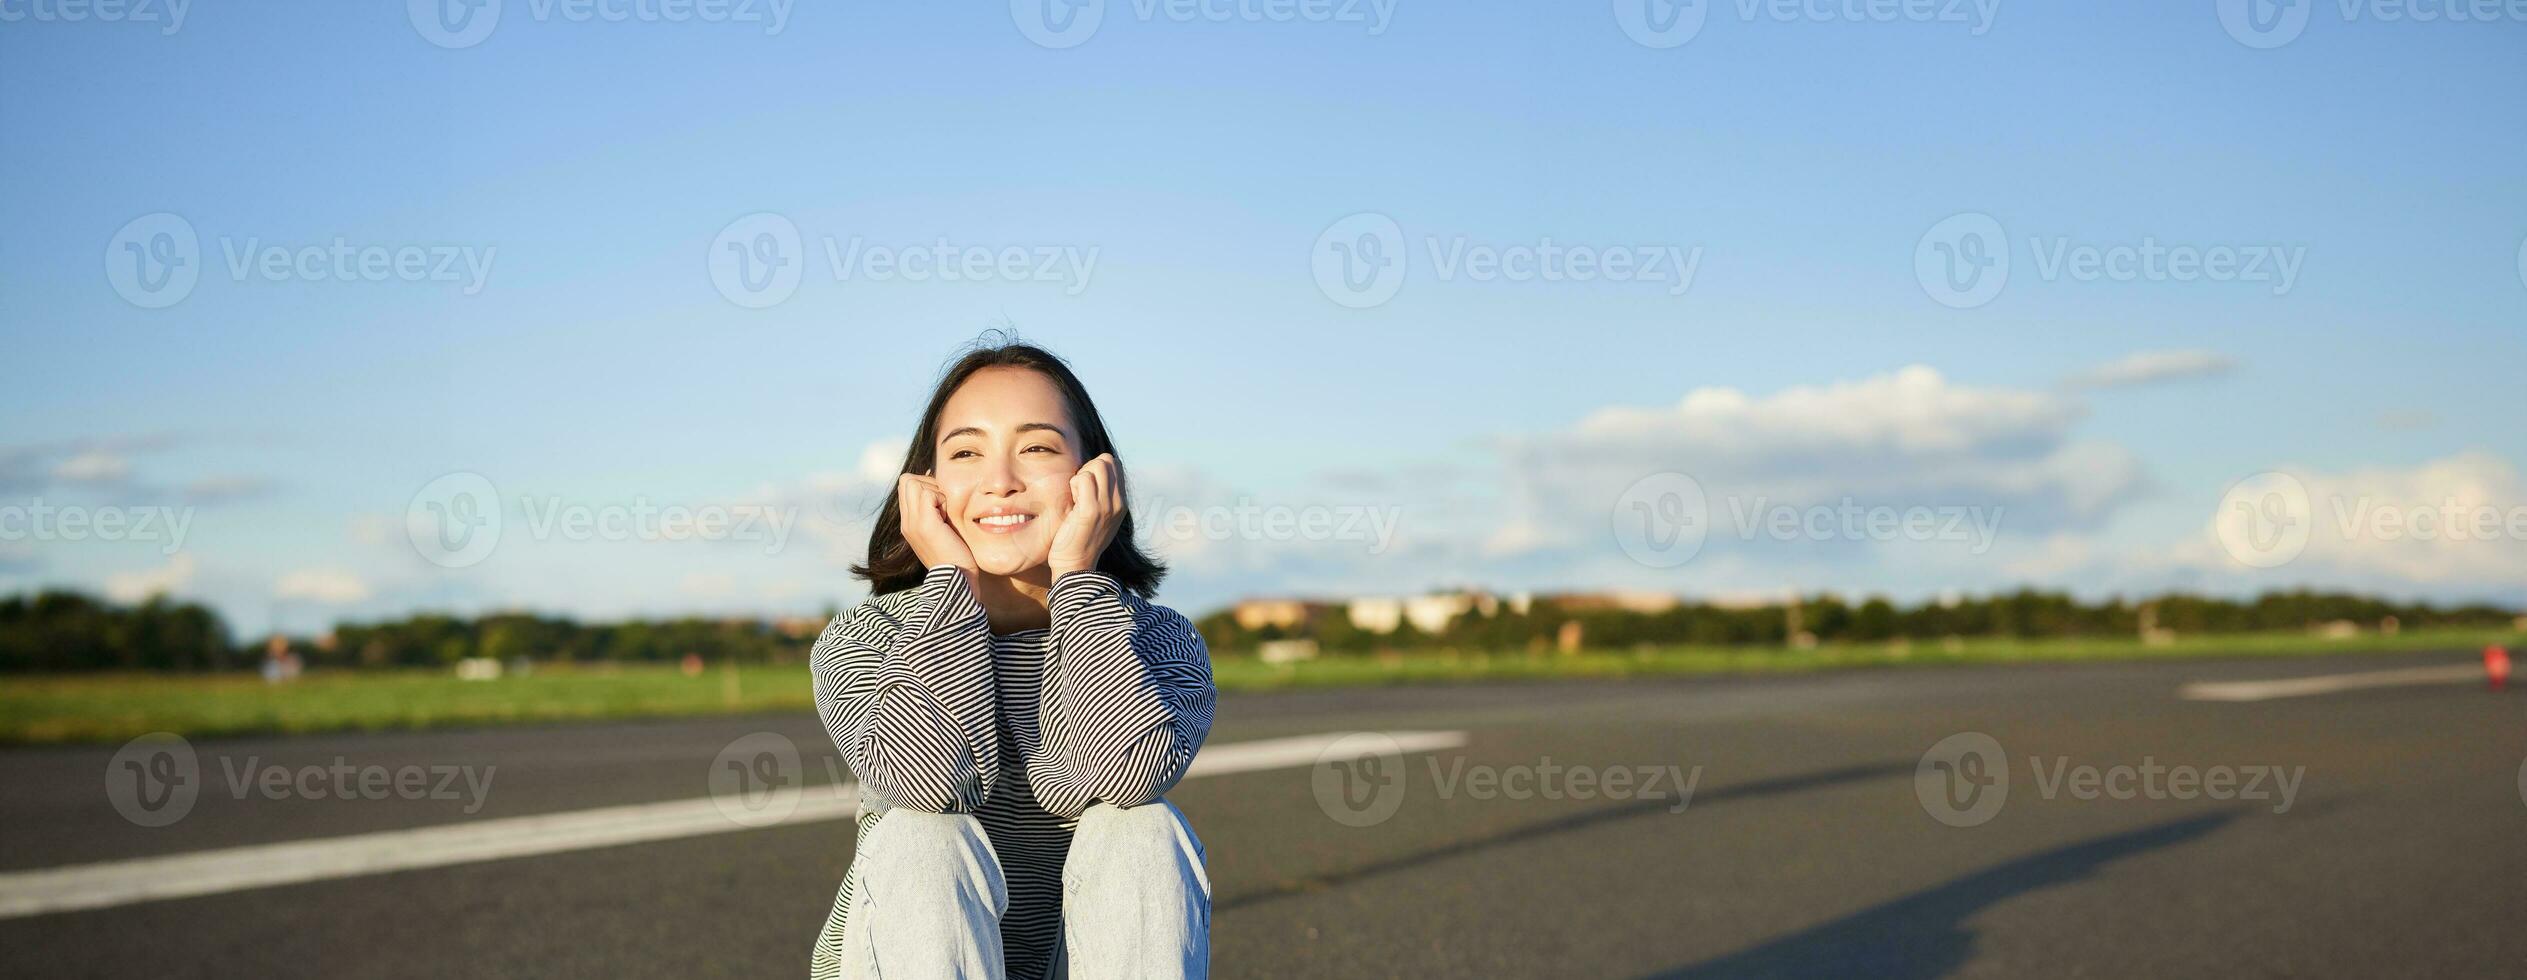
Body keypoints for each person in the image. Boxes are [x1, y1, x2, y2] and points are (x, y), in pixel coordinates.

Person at [808, 337, 1215, 980]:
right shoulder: (866, 635)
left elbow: (1111, 779)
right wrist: (949, 581)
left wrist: (1078, 575)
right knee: (924, 836)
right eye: (966, 452)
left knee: (1142, 831)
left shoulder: (1160, 641)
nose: (1000, 481)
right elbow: (935, 784)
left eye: (1037, 448)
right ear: (927, 488)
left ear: (1097, 477)